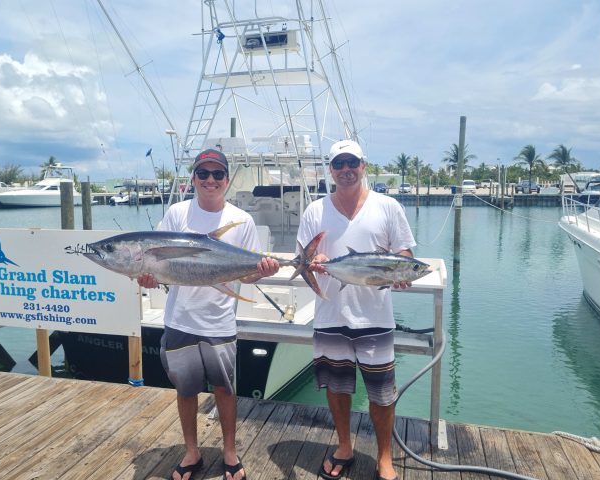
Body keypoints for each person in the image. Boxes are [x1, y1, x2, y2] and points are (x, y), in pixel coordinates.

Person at [137, 149, 279, 480]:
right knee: (185, 390)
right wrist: (148, 276)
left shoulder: (242, 220)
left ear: (227, 180)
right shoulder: (176, 213)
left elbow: (246, 273)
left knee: (225, 390)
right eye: (204, 174)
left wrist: (263, 270)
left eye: (217, 174)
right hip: (180, 320)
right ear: (194, 179)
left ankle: (230, 453)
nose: (210, 180)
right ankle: (192, 452)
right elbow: (158, 265)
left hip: (219, 322)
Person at [297, 139, 416, 480]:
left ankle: (385, 457)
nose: (346, 170)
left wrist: (403, 273)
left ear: (364, 165)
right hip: (331, 314)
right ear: (331, 170)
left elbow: (405, 254)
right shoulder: (314, 211)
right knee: (336, 388)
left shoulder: (388, 207)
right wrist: (316, 262)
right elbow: (305, 258)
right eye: (339, 164)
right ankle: (345, 445)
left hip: (375, 317)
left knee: (382, 393)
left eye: (352, 163)